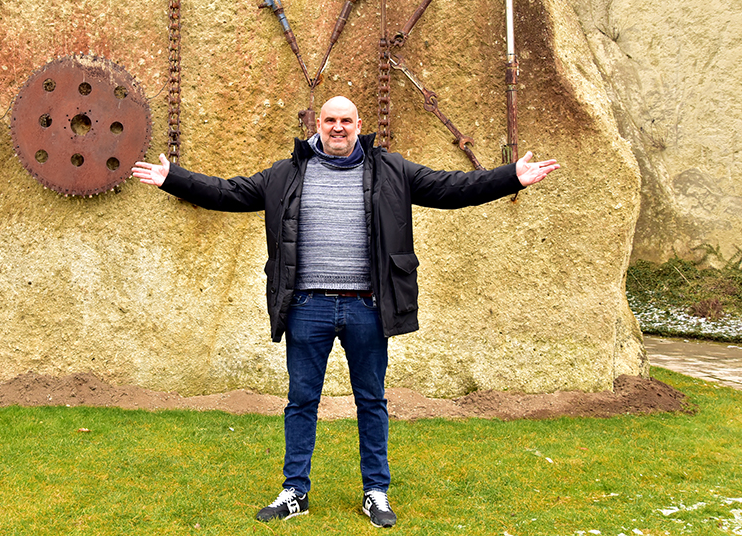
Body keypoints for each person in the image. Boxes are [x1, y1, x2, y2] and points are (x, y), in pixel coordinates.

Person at [132, 96, 559, 527]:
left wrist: (511, 177)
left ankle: (376, 492)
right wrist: (173, 179)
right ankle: (295, 492)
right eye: (330, 120)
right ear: (317, 124)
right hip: (307, 306)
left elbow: (452, 188)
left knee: (371, 401)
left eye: (346, 121)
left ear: (358, 124)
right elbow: (229, 192)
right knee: (301, 401)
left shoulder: (391, 169)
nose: (338, 127)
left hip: (367, 307)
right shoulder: (286, 173)